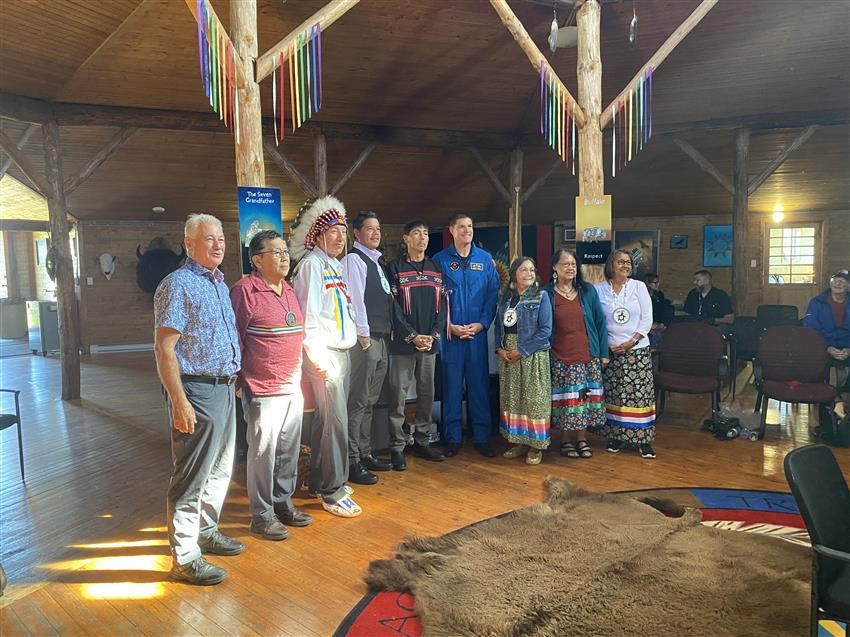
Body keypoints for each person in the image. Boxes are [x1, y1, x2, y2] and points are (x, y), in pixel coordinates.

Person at [154, 213, 243, 585]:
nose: (218, 244)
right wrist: (179, 400)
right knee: (191, 476)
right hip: (196, 390)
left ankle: (207, 531)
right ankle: (185, 556)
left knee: (220, 470)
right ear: (189, 243)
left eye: (220, 238)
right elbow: (164, 347)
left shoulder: (220, 284)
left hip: (224, 387)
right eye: (209, 239)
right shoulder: (178, 285)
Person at [229, 230, 313, 541]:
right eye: (275, 252)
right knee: (263, 454)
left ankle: (282, 503)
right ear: (256, 259)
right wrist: (239, 381)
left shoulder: (289, 289)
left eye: (284, 251)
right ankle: (261, 516)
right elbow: (234, 339)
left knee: (288, 451)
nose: (283, 256)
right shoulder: (244, 291)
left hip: (292, 385)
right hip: (262, 388)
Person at [290, 196, 361, 518]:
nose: (339, 238)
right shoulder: (310, 266)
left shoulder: (334, 265)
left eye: (343, 232)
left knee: (327, 420)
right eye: (332, 231)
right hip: (324, 355)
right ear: (317, 235)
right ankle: (333, 491)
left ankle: (319, 481)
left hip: (340, 352)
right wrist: (317, 356)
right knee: (336, 421)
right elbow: (307, 316)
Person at [433, 214, 501, 457]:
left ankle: (482, 436)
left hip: (476, 335)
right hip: (451, 336)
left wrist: (482, 324)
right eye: (461, 227)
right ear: (451, 230)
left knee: (479, 386)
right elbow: (435, 299)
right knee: (451, 387)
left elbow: (492, 296)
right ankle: (452, 438)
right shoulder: (439, 261)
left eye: (470, 226)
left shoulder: (485, 260)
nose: (467, 230)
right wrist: (448, 326)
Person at [385, 221, 447, 467]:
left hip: (429, 344)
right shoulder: (394, 268)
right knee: (397, 396)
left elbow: (443, 306)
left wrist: (433, 335)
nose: (422, 238)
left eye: (425, 233)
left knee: (426, 394)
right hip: (403, 344)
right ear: (406, 239)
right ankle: (397, 446)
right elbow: (393, 308)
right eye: (416, 234)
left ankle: (422, 441)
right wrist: (411, 335)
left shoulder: (436, 268)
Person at [341, 212, 394, 483]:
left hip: (381, 338)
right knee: (358, 401)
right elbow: (354, 301)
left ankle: (365, 452)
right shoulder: (353, 260)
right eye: (369, 229)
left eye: (378, 228)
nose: (375, 233)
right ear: (356, 233)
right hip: (366, 339)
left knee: (371, 401)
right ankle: (351, 461)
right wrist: (362, 335)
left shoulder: (377, 262)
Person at [542, 249, 608, 459]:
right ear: (555, 267)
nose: (570, 268)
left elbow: (600, 322)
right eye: (565, 264)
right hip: (560, 356)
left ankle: (582, 439)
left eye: (573, 264)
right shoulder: (547, 293)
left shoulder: (587, 290)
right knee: (566, 402)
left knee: (584, 401)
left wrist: (603, 353)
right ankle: (566, 441)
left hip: (588, 355)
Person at [594, 249, 657, 459]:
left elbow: (647, 319)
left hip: (636, 350)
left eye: (628, 262)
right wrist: (609, 344)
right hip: (610, 351)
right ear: (610, 265)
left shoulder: (638, 287)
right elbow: (596, 321)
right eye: (620, 262)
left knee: (640, 396)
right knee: (614, 395)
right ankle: (617, 436)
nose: (626, 265)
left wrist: (631, 342)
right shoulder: (598, 289)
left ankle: (643, 440)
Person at [494, 257, 552, 464]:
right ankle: (519, 441)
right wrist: (499, 349)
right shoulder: (505, 299)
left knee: (534, 400)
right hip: (509, 355)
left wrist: (523, 350)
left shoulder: (541, 296)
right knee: (514, 398)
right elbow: (499, 328)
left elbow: (546, 331)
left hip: (532, 354)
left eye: (532, 270)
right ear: (514, 274)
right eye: (523, 269)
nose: (528, 273)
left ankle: (536, 446)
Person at [803, 270, 850, 390]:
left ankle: (845, 394)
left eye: (842, 281)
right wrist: (827, 347)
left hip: (847, 346)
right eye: (835, 280)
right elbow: (810, 329)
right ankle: (820, 396)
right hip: (823, 346)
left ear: (848, 286)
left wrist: (849, 349)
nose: (837, 283)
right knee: (812, 359)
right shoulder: (817, 302)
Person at [683, 270, 734, 334]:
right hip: (695, 326)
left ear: (707, 281)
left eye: (697, 280)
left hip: (714, 327)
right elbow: (687, 314)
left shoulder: (720, 295)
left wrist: (713, 320)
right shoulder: (692, 294)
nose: (694, 282)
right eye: (694, 280)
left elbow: (730, 319)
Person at [644, 273, 674, 347]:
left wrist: (663, 323)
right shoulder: (643, 295)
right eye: (655, 283)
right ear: (648, 284)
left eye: (658, 282)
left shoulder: (659, 294)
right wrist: (650, 325)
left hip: (658, 324)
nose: (658, 284)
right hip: (647, 325)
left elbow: (662, 310)